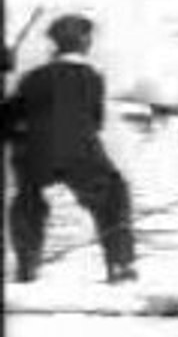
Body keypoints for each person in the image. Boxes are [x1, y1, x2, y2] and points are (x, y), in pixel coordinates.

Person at [4, 14, 137, 284]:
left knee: (27, 199)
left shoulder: (33, 78)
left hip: (34, 155)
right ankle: (120, 265)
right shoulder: (93, 78)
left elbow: (8, 119)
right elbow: (96, 122)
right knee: (114, 194)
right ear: (85, 42)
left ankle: (27, 266)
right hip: (80, 154)